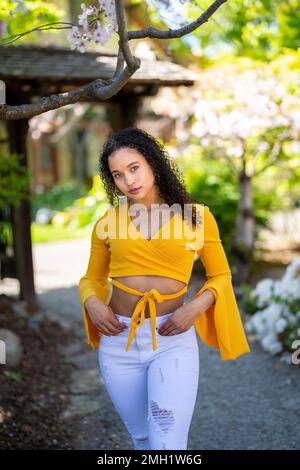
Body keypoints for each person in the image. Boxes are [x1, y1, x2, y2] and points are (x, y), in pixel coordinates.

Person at [78, 127, 250, 451]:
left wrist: (193, 309)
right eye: (117, 175)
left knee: (167, 443)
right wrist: (92, 303)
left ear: (153, 165)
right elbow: (91, 279)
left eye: (134, 168)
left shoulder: (196, 217)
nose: (128, 181)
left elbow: (221, 276)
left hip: (171, 339)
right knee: (142, 439)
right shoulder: (107, 221)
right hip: (118, 342)